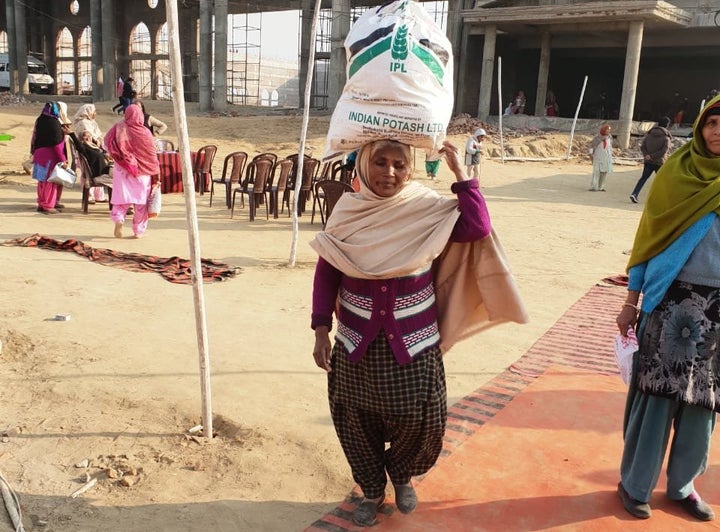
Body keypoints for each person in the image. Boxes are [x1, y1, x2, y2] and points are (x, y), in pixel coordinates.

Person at [310, 138, 527, 527]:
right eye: (380, 162)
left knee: (420, 418)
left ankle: (402, 474)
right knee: (356, 422)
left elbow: (476, 226)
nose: (389, 172)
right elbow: (327, 271)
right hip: (355, 342)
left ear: (410, 168)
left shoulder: (424, 207)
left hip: (415, 342)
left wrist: (460, 173)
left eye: (399, 164)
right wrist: (321, 329)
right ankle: (372, 490)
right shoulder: (347, 211)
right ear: (363, 164)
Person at [616, 94, 720, 522]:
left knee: (703, 401)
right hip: (669, 300)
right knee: (657, 396)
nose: (718, 131)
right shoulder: (674, 175)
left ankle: (682, 486)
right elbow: (648, 240)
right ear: (700, 128)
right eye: (712, 122)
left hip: (716, 310)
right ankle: (635, 484)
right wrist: (631, 299)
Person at [103, 103, 160, 239]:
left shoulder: (118, 128)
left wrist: (118, 155)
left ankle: (119, 219)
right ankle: (138, 231)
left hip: (122, 170)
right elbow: (152, 154)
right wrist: (156, 171)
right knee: (141, 203)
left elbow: (106, 144)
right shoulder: (145, 132)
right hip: (143, 172)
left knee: (121, 201)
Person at [30, 102, 70, 214]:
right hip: (50, 156)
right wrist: (62, 160)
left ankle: (41, 203)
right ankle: (48, 206)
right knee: (50, 181)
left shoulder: (40, 120)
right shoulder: (54, 123)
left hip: (39, 155)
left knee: (41, 181)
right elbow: (57, 144)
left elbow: (34, 137)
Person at [629, 116, 672, 203]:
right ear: (667, 125)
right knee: (662, 180)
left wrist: (647, 155)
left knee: (643, 178)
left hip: (648, 161)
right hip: (659, 162)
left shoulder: (649, 134)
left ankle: (635, 193)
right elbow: (664, 151)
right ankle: (660, 198)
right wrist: (653, 156)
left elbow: (643, 146)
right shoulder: (666, 137)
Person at [73, 103, 107, 202]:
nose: (95, 113)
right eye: (93, 111)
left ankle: (99, 196)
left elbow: (98, 135)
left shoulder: (92, 122)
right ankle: (89, 195)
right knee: (88, 173)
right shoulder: (83, 123)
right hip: (87, 151)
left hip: (95, 149)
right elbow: (87, 138)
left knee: (99, 170)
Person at [588, 124, 613, 191]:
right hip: (598, 157)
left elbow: (610, 147)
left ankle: (601, 187)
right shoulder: (597, 138)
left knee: (604, 172)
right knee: (596, 172)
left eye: (609, 130)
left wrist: (610, 156)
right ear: (604, 130)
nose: (609, 131)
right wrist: (590, 154)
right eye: (607, 130)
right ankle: (593, 186)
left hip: (606, 157)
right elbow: (591, 146)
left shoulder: (609, 137)